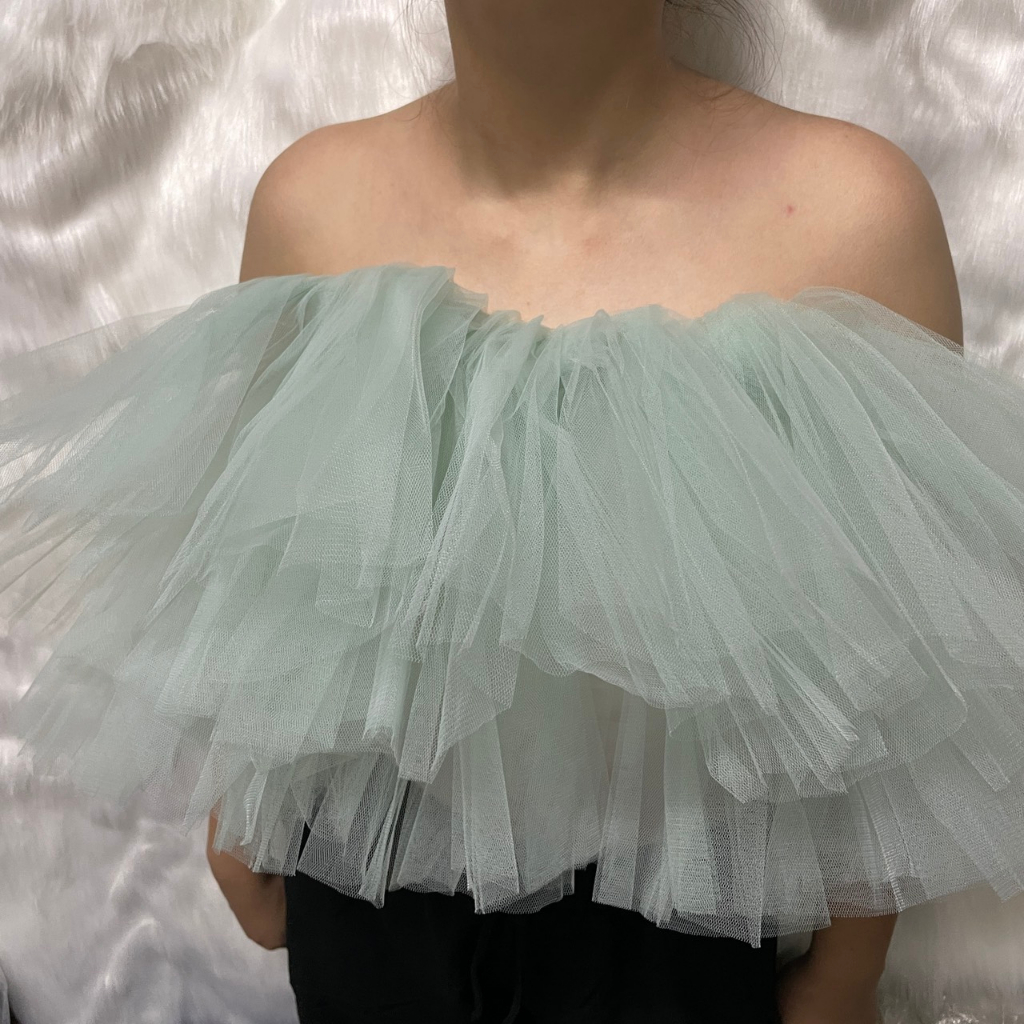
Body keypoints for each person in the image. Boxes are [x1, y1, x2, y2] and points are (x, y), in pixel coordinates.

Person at [7, 1, 1023, 1023]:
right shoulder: (312, 203)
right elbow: (274, 566)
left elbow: (904, 650)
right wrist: (244, 813)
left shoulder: (852, 219)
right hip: (363, 883)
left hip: (689, 914)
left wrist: (850, 959)